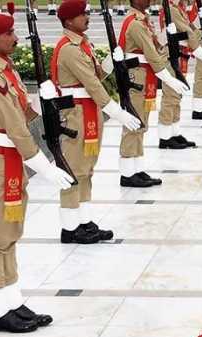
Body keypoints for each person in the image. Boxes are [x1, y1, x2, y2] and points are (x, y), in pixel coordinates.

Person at [0, 11, 73, 333]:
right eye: (8, 34)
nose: (15, 38)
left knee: (10, 234)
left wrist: (46, 101)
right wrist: (44, 166)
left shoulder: (6, 71)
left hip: (9, 161)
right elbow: (14, 126)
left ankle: (11, 300)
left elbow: (23, 113)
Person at [52, 0, 141, 243]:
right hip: (77, 115)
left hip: (87, 112)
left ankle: (84, 221)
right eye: (82, 15)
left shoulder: (82, 45)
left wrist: (113, 60)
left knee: (86, 171)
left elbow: (97, 75)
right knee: (74, 171)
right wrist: (119, 112)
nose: (87, 17)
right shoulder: (70, 48)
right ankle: (70, 229)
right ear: (69, 21)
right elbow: (92, 85)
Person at [118, 0, 190, 186]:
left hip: (142, 76)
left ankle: (137, 169)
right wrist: (170, 80)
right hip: (136, 78)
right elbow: (151, 55)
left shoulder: (142, 21)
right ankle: (127, 173)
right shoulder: (134, 23)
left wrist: (166, 35)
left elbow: (154, 46)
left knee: (140, 123)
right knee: (133, 124)